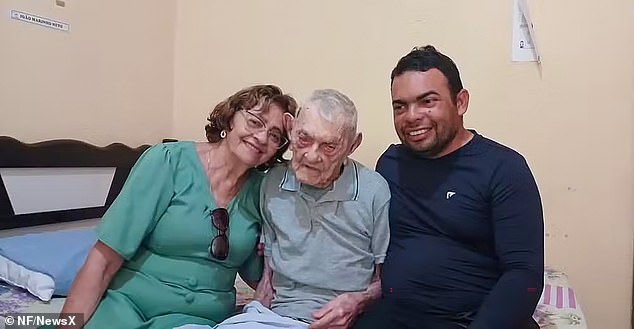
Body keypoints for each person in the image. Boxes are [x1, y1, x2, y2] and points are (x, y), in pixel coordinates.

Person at [58, 85, 297, 328]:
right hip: (128, 308)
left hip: (198, 321)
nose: (262, 137)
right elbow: (103, 261)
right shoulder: (167, 162)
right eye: (255, 122)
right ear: (230, 119)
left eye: (275, 135)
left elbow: (262, 276)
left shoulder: (264, 191)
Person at [354, 46, 544, 329]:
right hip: (394, 317)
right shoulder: (390, 164)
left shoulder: (504, 168)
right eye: (400, 106)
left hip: (469, 321)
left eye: (427, 101)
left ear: (461, 102)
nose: (411, 116)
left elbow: (524, 275)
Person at [199, 89, 391, 329]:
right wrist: (251, 312)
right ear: (290, 128)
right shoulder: (271, 183)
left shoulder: (373, 191)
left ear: (353, 145)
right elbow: (268, 275)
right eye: (304, 138)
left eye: (329, 146)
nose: (312, 155)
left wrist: (358, 302)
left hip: (342, 321)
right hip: (276, 317)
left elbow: (386, 280)